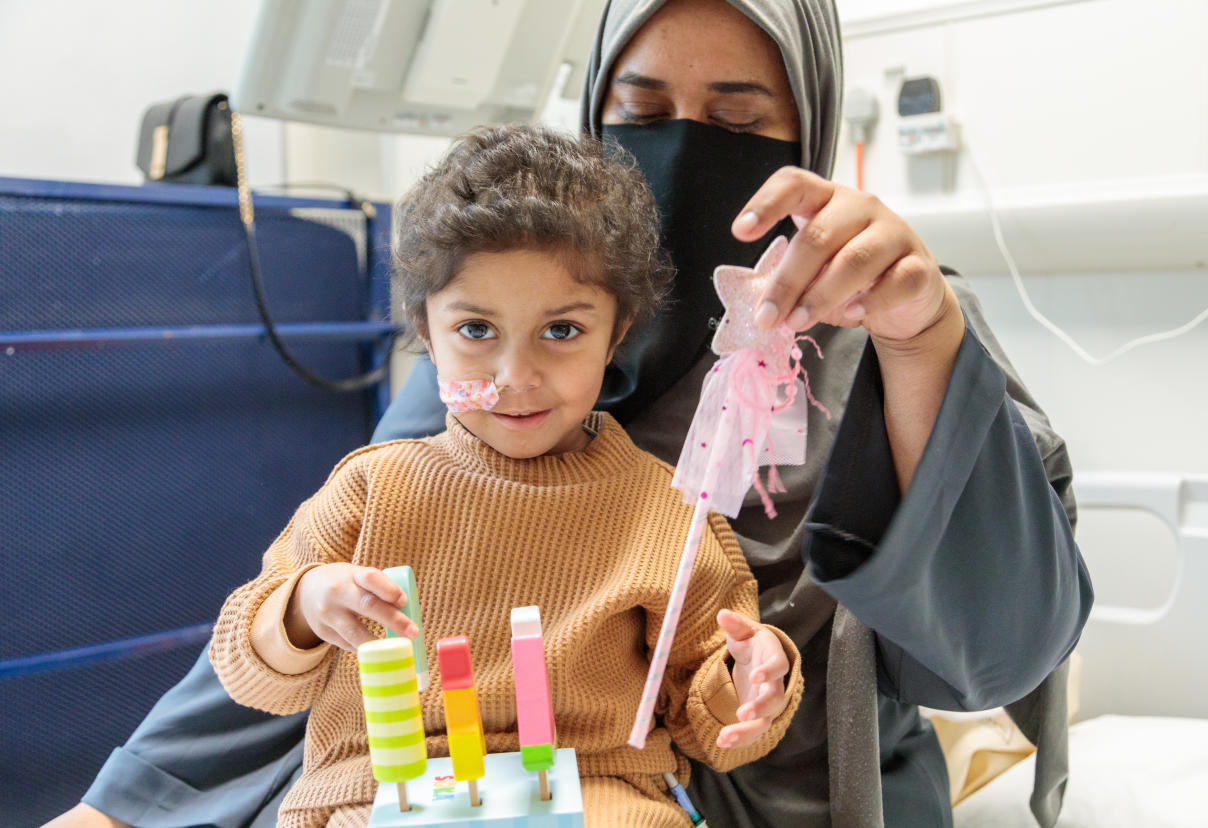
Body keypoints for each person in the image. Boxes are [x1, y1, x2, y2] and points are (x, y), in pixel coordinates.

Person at [55, 1, 1092, 826]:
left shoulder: (894, 322)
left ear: (809, 125)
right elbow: (344, 590)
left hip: (782, 789)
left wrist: (921, 344)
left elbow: (989, 658)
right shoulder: (494, 344)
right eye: (640, 118)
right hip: (476, 785)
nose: (683, 157)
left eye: (736, 122)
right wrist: (120, 800)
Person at [207, 124, 804, 828]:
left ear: (618, 331)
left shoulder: (666, 508)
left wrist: (751, 677)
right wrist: (305, 608)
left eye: (561, 332)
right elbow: (251, 675)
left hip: (596, 791)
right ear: (426, 334)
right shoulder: (372, 490)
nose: (516, 378)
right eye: (476, 331)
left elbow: (713, 729)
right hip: (380, 793)